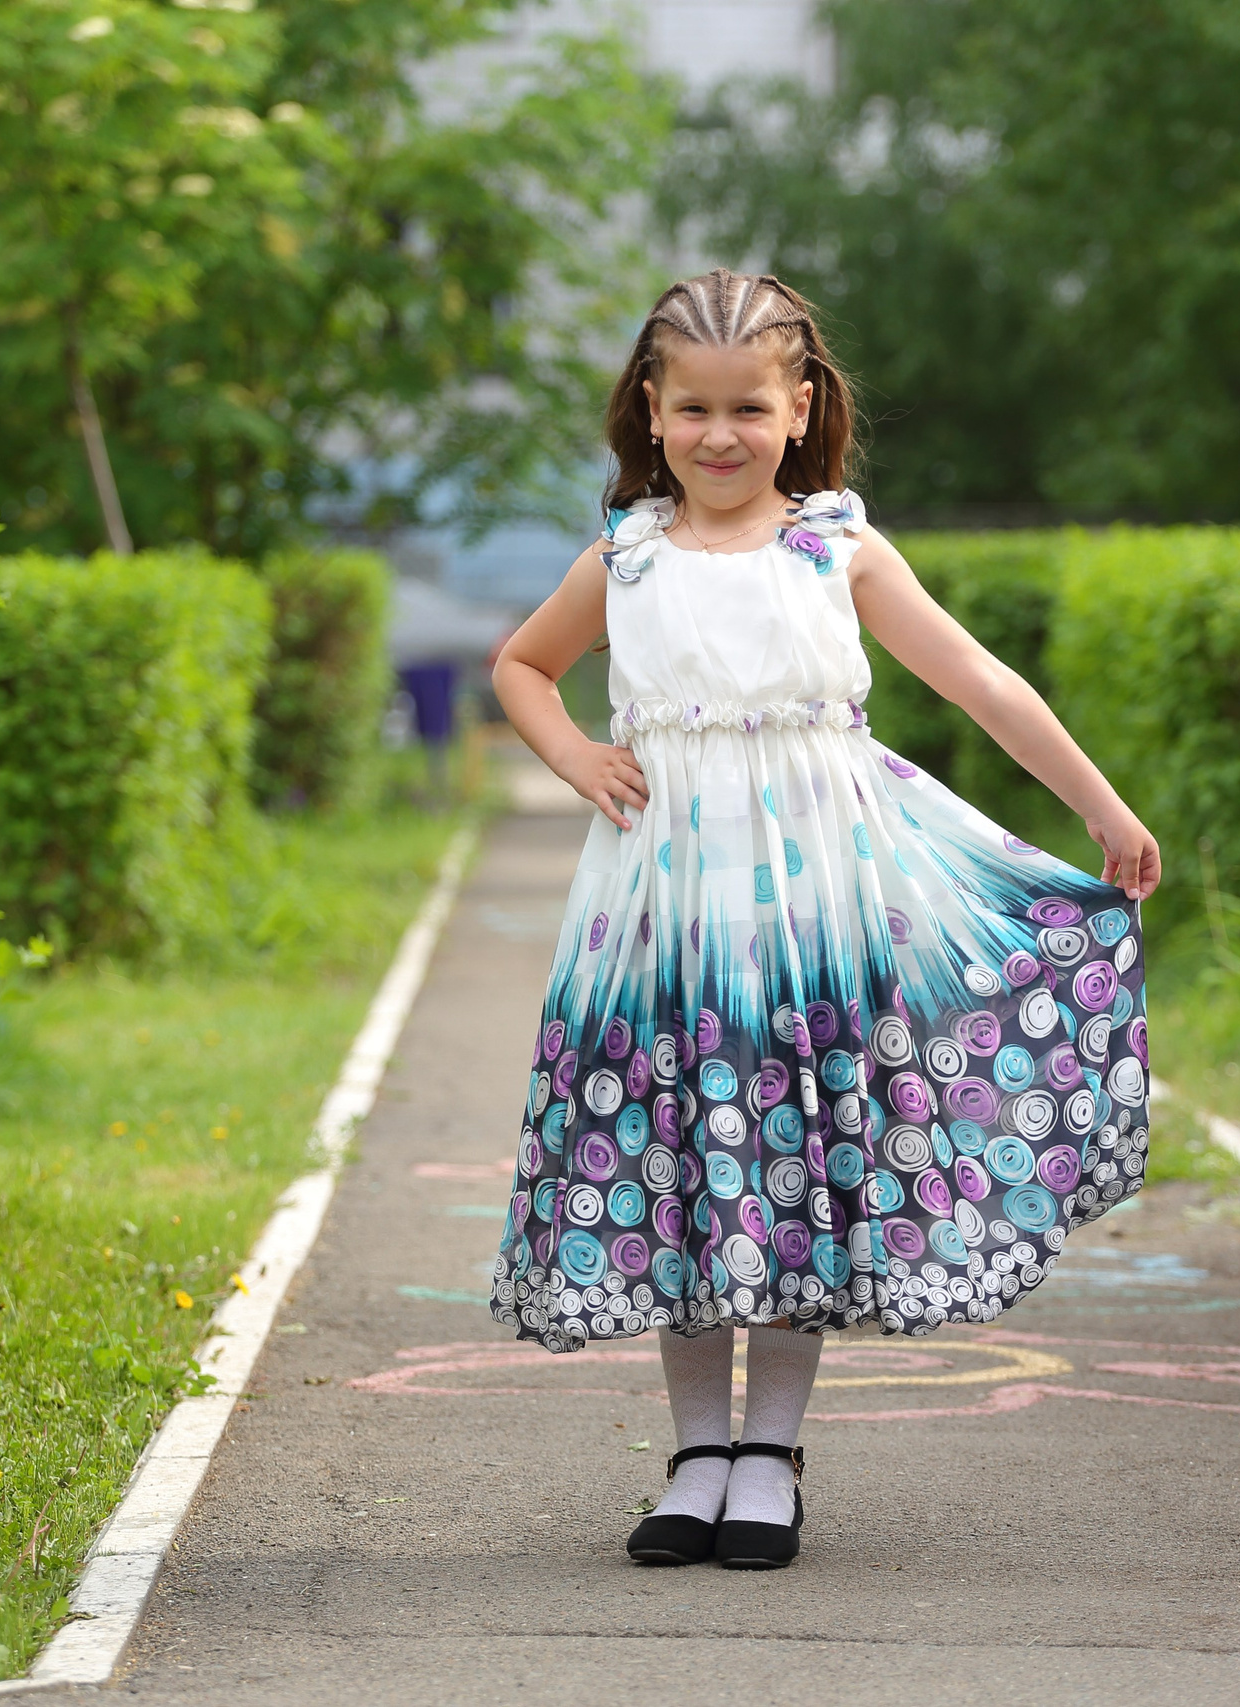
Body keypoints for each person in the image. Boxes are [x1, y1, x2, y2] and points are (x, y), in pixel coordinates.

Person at [487, 269, 1161, 1571]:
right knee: (688, 1160)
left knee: (786, 1161)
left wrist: (1102, 806)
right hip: (664, 919)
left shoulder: (835, 547)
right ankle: (696, 1457)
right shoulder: (624, 556)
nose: (721, 435)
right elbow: (521, 665)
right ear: (651, 407)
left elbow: (976, 679)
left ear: (801, 408)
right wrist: (577, 755)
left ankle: (772, 1456)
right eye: (693, 408)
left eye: (750, 407)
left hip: (819, 918)